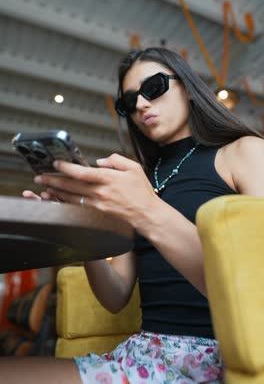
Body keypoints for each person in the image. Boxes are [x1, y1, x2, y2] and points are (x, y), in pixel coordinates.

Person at [1, 47, 264, 383]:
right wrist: (81, 235)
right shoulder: (138, 181)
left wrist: (146, 209)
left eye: (153, 87)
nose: (140, 105)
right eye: (128, 102)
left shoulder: (244, 152)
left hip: (216, 358)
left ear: (187, 86)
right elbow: (115, 297)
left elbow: (255, 291)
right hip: (141, 354)